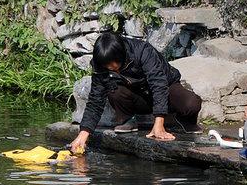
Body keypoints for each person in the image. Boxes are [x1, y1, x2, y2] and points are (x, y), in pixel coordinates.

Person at [69, 31, 202, 153]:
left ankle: (179, 121)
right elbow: (95, 100)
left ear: (121, 55)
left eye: (114, 66)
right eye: (107, 67)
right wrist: (83, 134)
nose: (111, 69)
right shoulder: (100, 65)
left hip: (165, 90)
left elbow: (159, 85)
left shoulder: (143, 51)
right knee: (114, 90)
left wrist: (159, 123)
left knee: (192, 104)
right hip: (137, 97)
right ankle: (127, 120)